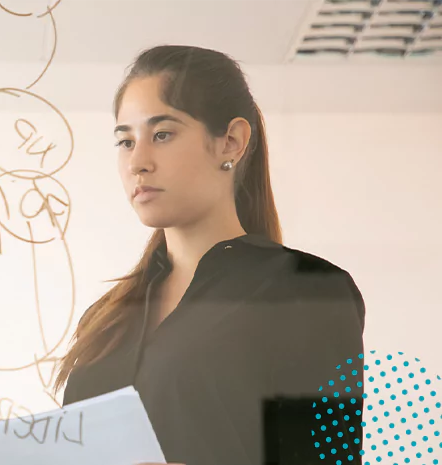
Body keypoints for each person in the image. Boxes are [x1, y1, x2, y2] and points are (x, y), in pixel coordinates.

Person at [56, 46, 366, 465]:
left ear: (232, 142)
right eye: (125, 141)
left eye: (162, 134)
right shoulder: (106, 317)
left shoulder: (305, 289)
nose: (138, 162)